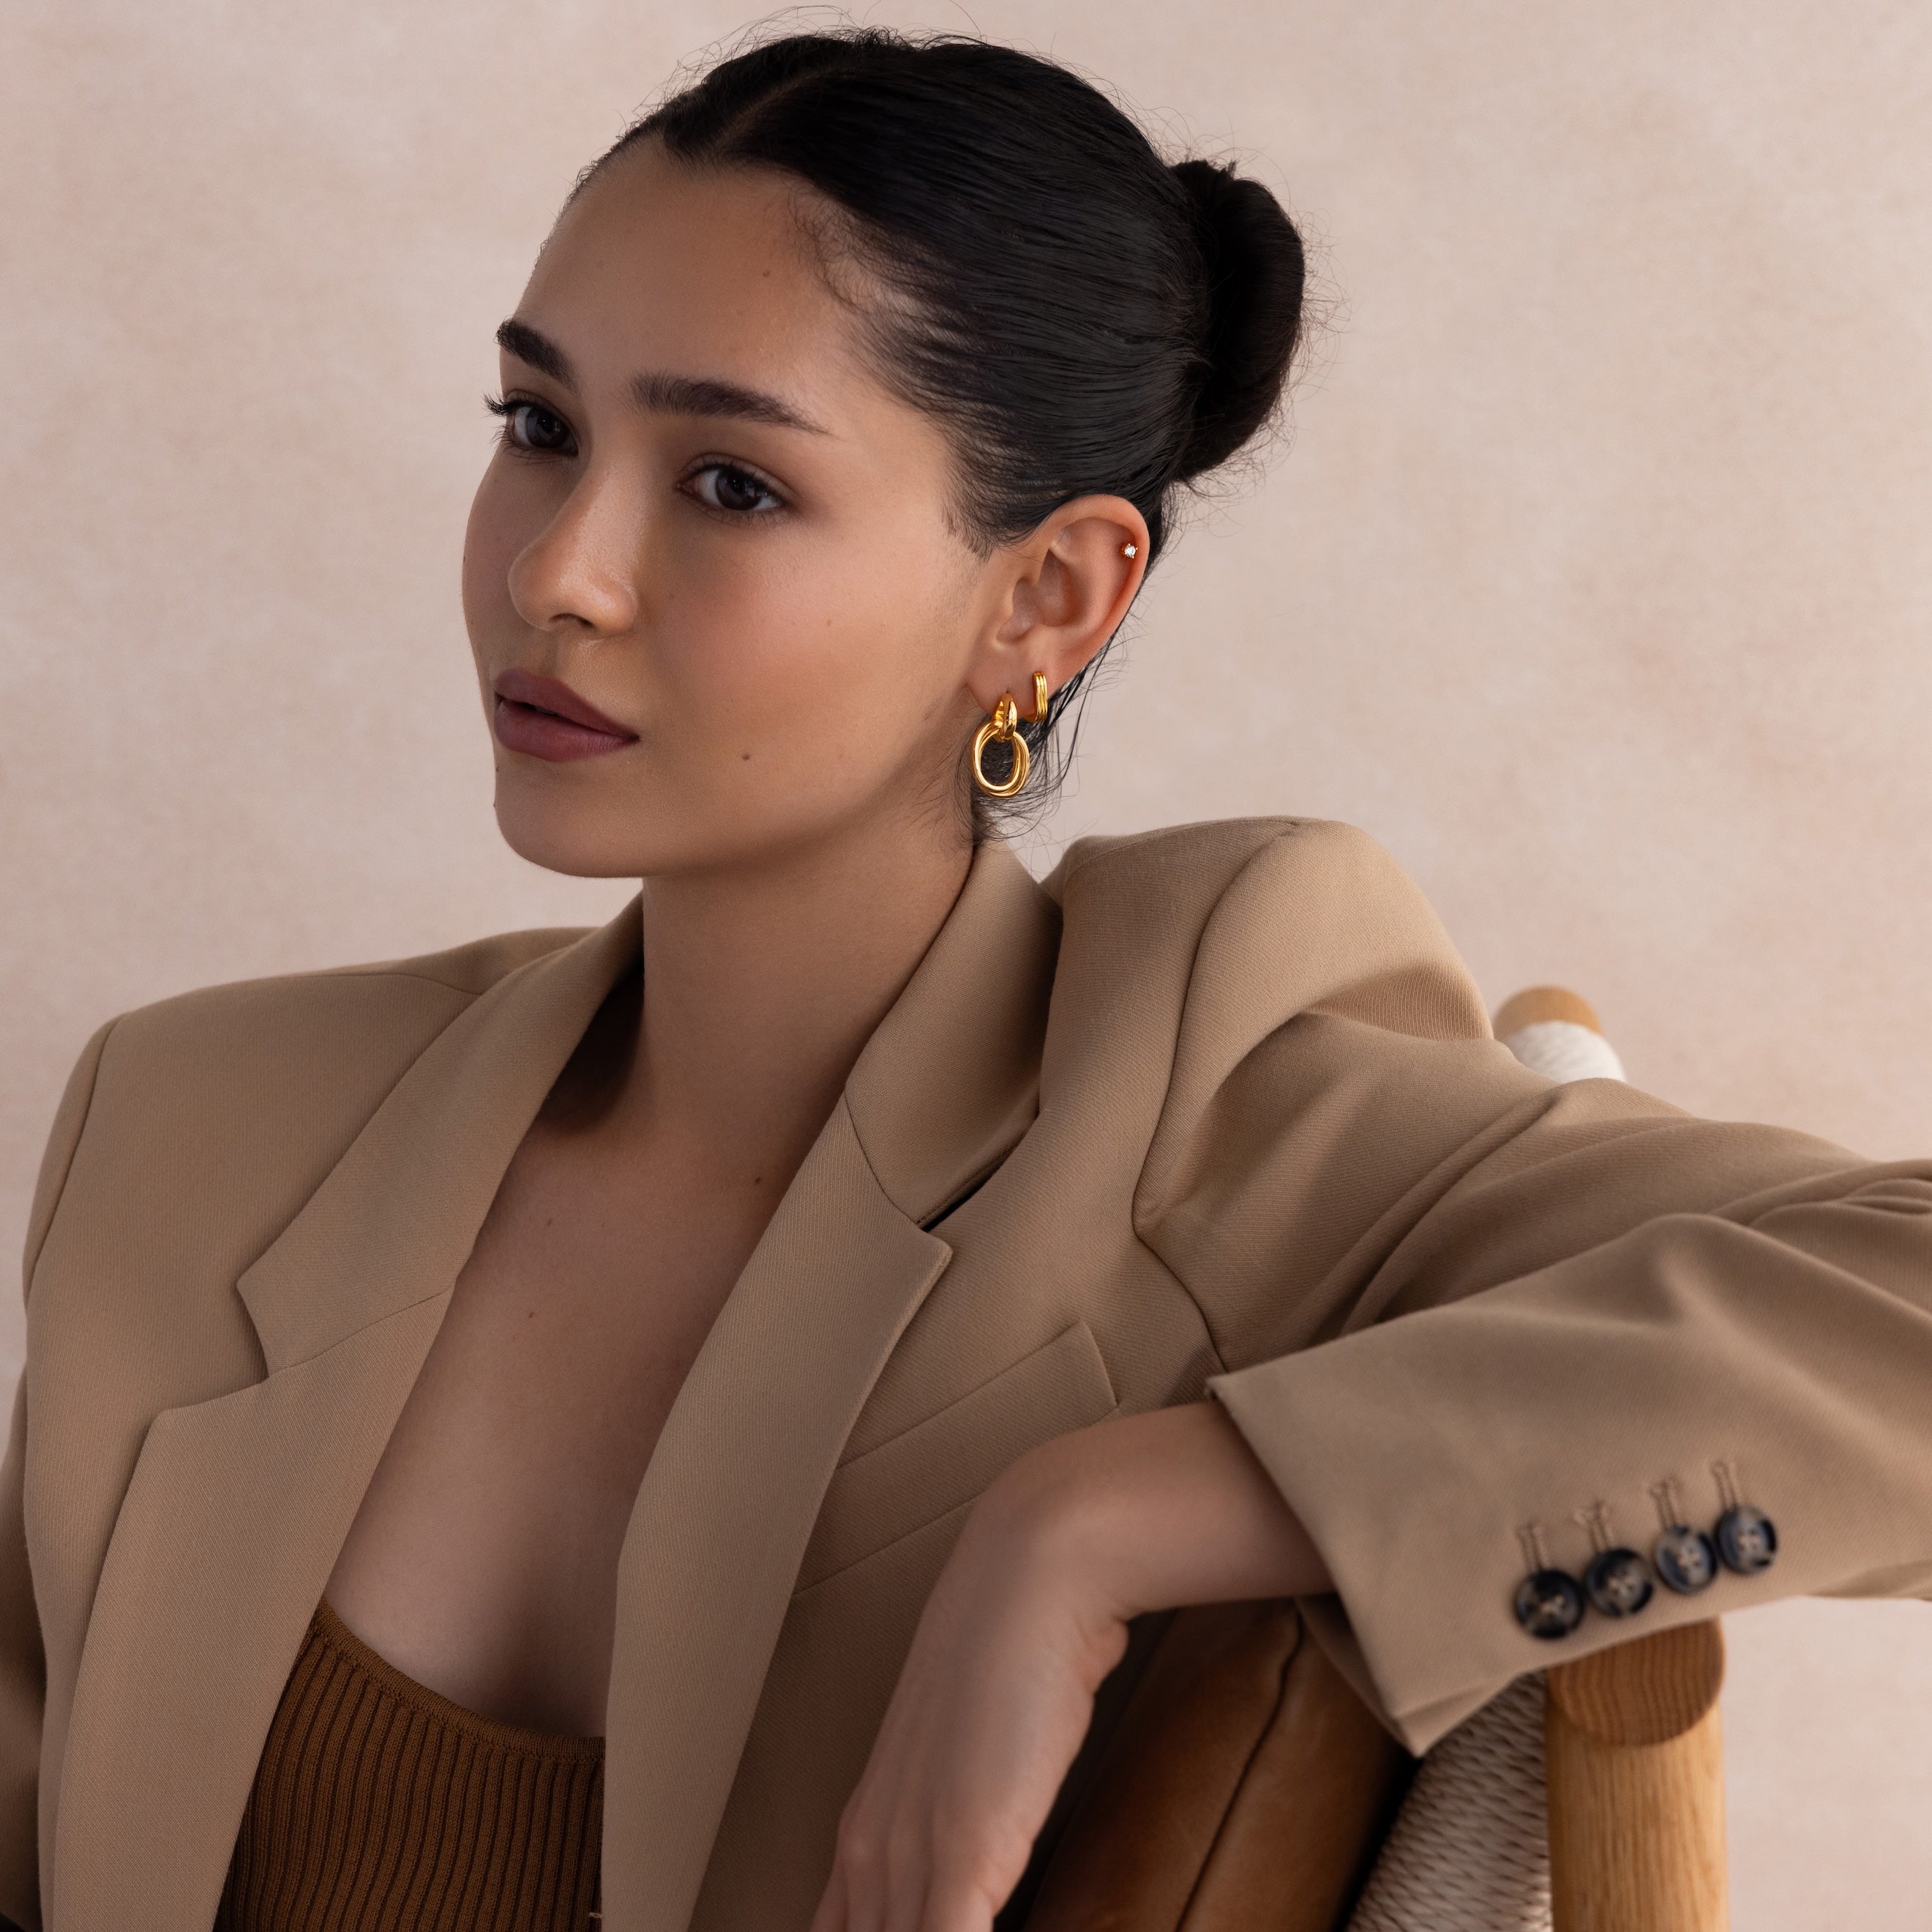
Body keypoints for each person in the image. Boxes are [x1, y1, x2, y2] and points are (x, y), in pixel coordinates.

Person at [7, 26, 1931, 1932]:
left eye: (733, 485)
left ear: (1050, 599)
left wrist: (1101, 1520)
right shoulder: (197, 1132)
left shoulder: (1216, 1109)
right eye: (540, 428)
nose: (559, 573)